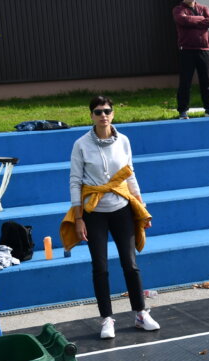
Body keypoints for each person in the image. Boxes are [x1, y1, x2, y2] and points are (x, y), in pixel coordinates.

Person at [64, 96, 160, 339]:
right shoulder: (81, 144)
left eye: (107, 110)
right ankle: (107, 318)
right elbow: (75, 181)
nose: (103, 115)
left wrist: (141, 207)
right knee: (100, 266)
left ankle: (140, 313)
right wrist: (78, 217)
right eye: (98, 112)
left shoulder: (124, 141)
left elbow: (130, 176)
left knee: (130, 263)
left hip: (122, 208)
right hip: (94, 211)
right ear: (91, 116)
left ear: (113, 114)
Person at [172, 0, 209, 119]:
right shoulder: (178, 9)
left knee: (206, 82)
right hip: (186, 50)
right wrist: (200, 20)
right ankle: (182, 111)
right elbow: (182, 20)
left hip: (204, 50)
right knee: (185, 82)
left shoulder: (204, 8)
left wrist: (191, 20)